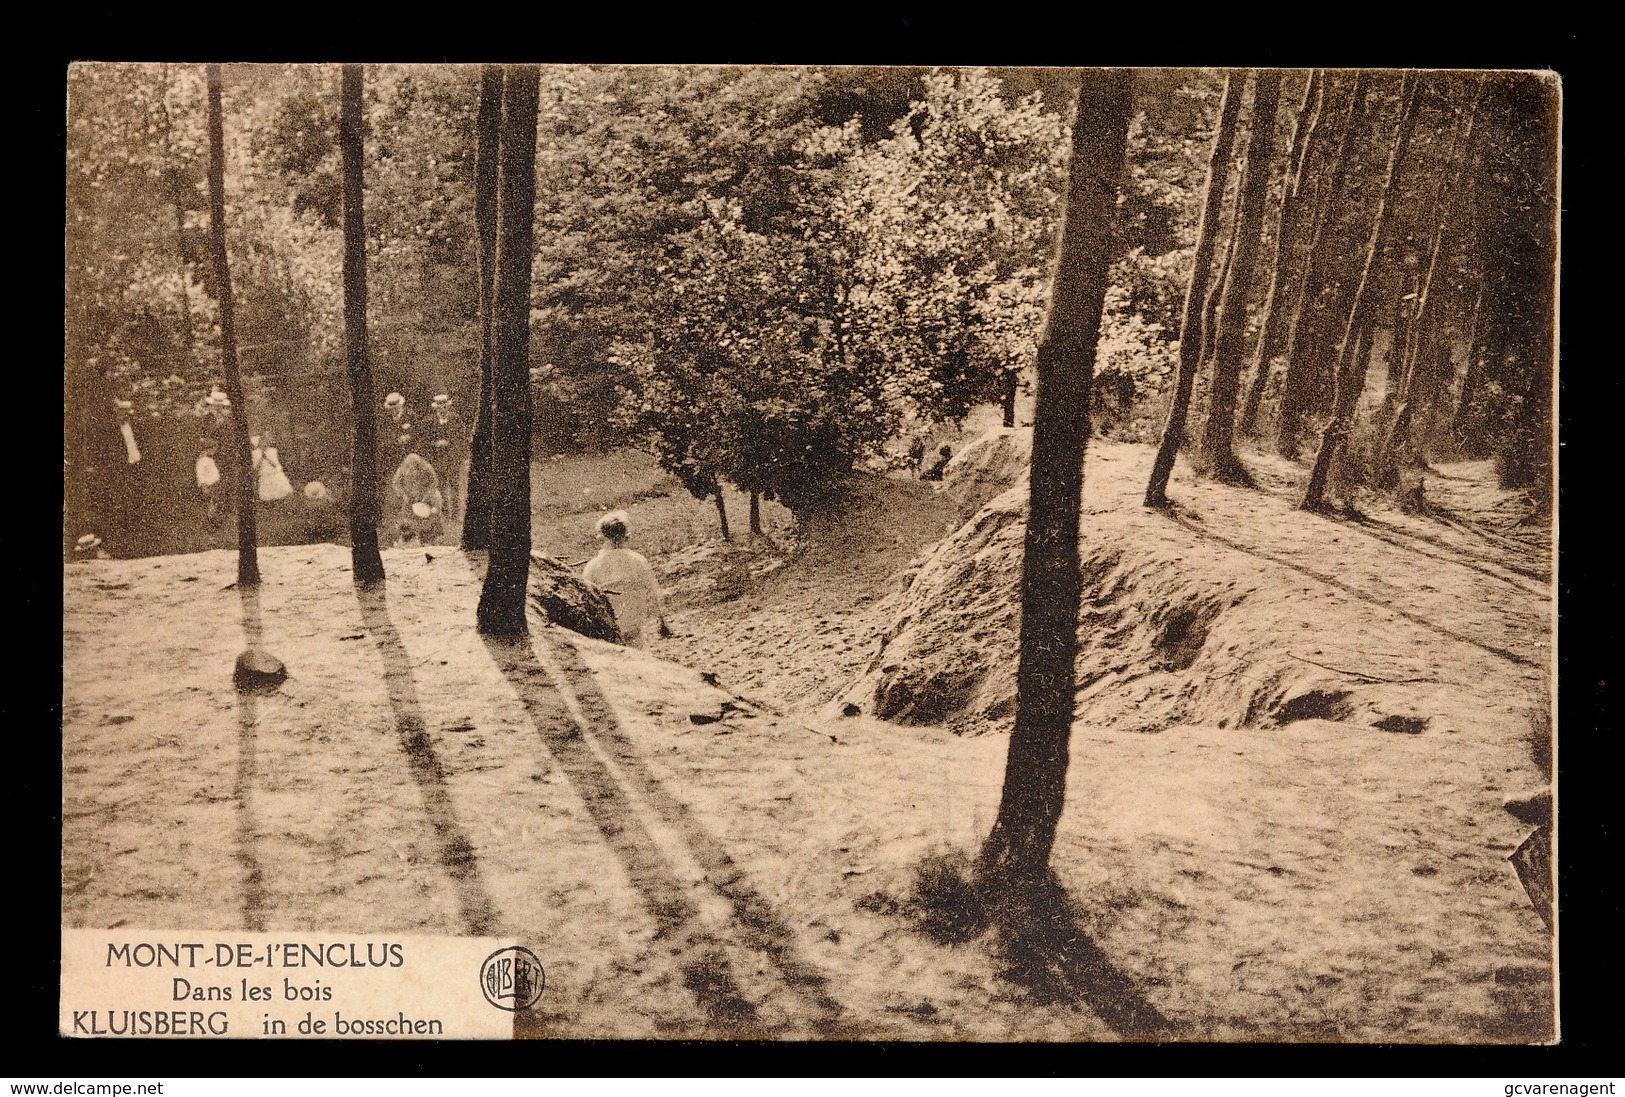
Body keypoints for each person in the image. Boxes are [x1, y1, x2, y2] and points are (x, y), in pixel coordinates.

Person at [581, 510, 671, 646]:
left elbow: (586, 596)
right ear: (626, 535)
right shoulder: (637, 560)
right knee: (636, 652)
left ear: (602, 536)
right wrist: (662, 620)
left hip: (609, 623)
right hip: (634, 620)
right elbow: (653, 590)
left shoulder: (593, 565)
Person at [424, 393, 467, 523]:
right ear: (436, 408)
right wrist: (435, 444)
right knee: (440, 488)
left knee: (454, 487)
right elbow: (424, 441)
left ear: (448, 407)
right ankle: (444, 514)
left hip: (452, 459)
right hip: (437, 460)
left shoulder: (455, 419)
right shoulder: (429, 422)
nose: (442, 409)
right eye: (440, 407)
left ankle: (455, 516)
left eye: (445, 406)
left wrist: (451, 445)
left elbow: (461, 439)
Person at [390, 452, 444, 546]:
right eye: (410, 466)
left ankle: (433, 537)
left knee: (430, 516)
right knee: (408, 518)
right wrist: (403, 494)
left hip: (426, 497)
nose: (412, 469)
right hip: (409, 498)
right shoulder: (402, 470)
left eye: (415, 466)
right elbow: (396, 483)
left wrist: (427, 496)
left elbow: (434, 482)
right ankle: (409, 538)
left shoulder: (426, 468)